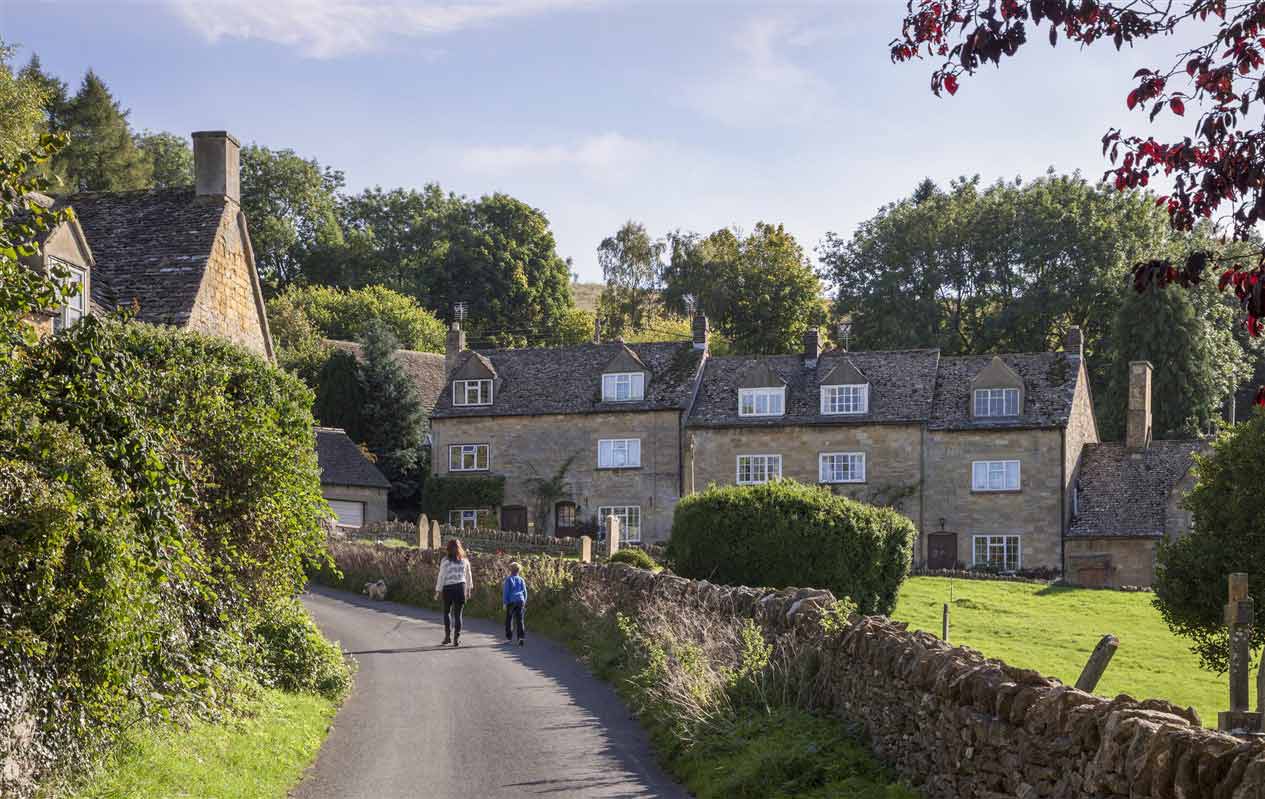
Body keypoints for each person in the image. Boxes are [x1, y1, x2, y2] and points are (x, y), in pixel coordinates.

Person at [434, 539, 472, 646]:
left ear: (448, 548)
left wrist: (437, 591)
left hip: (448, 588)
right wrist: (468, 590)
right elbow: (468, 576)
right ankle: (456, 639)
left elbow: (441, 576)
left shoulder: (445, 560)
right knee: (458, 614)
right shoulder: (465, 561)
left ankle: (447, 637)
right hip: (460, 587)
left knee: (446, 612)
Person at [502, 562, 528, 646]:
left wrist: (505, 603)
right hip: (520, 600)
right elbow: (525, 592)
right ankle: (521, 637)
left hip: (511, 602)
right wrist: (524, 601)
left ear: (510, 570)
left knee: (509, 620)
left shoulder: (508, 579)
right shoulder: (521, 579)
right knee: (520, 620)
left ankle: (508, 638)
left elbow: (506, 592)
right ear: (518, 570)